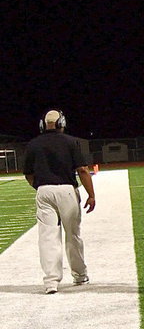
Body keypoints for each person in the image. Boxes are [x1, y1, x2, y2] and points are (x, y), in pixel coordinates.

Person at [24, 109, 95, 294]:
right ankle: (80, 275)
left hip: (44, 190)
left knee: (47, 237)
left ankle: (51, 282)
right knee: (73, 235)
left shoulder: (33, 144)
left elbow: (28, 174)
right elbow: (83, 170)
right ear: (61, 123)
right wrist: (91, 194)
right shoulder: (71, 142)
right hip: (67, 191)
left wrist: (40, 188)